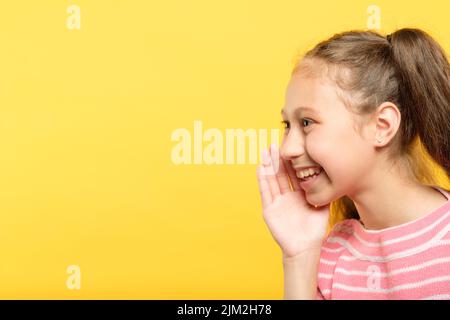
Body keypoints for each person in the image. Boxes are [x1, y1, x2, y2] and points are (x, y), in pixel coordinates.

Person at [256, 28, 450, 299]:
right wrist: (298, 257)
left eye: (307, 123)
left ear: (381, 126)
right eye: (287, 125)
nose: (287, 148)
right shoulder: (333, 253)